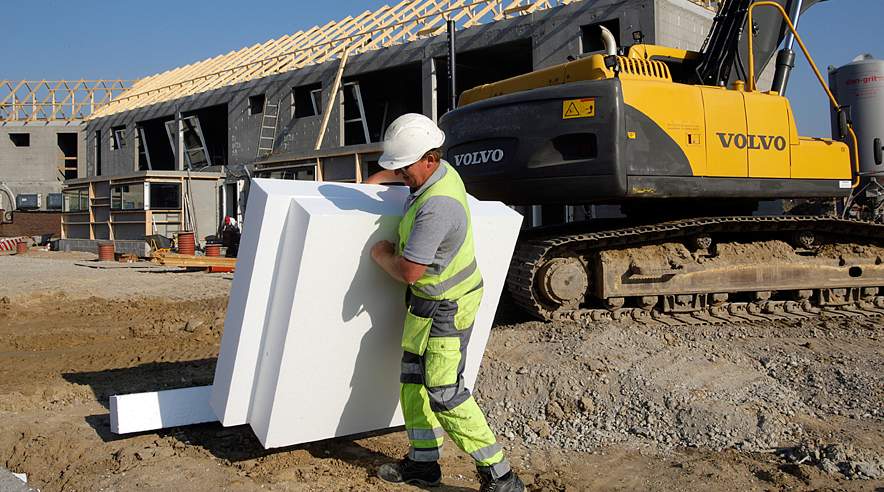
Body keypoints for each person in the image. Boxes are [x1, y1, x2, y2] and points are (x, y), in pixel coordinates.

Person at [365, 113, 523, 492]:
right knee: (413, 379)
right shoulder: (440, 171)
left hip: (449, 305)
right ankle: (423, 464)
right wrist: (375, 181)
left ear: (429, 159)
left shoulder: (438, 207)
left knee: (444, 391)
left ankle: (500, 475)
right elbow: (404, 174)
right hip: (427, 301)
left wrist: (381, 255)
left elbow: (409, 272)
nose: (400, 175)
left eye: (404, 169)